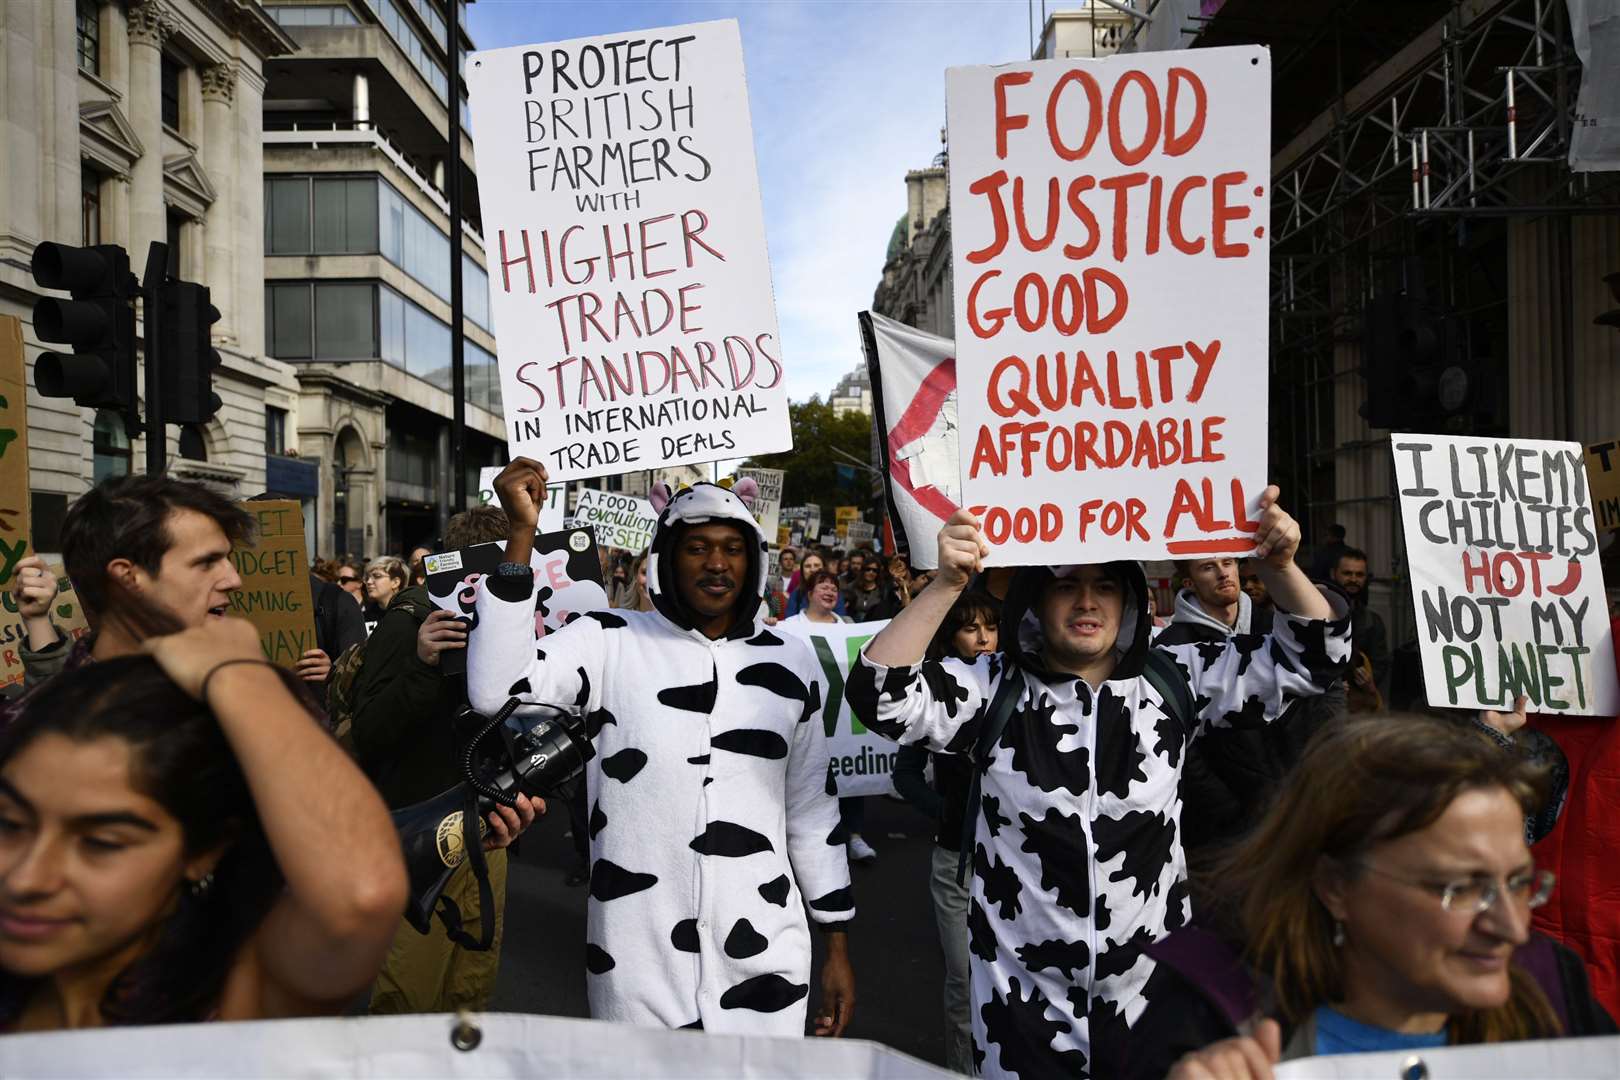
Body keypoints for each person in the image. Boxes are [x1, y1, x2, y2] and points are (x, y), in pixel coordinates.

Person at [847, 490, 1350, 1078]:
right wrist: (946, 585)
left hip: (1152, 1000)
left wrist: (1279, 565)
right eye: (1065, 584)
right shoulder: (990, 688)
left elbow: (1315, 659)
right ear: (1037, 598)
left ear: (1129, 599)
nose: (1086, 602)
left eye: (1105, 585)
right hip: (1021, 1007)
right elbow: (879, 696)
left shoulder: (1179, 673)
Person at [471, 460, 855, 1037]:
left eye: (732, 547)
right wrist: (520, 536)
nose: (717, 563)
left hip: (767, 962)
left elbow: (812, 810)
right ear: (666, 559)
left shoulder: (791, 660)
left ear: (754, 562)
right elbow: (495, 690)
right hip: (638, 961)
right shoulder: (608, 640)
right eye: (697, 547)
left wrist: (837, 945)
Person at [1146, 715, 1614, 1080]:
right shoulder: (1205, 1024)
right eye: (1461, 888)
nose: (1511, 928)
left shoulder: (1555, 994)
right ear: (1336, 886)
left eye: (1518, 883)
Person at [0, 617, 407, 1028]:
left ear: (203, 851)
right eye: (11, 825)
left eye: (102, 843)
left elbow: (360, 903)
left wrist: (237, 675)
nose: (26, 879)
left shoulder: (232, 996)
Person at [358, 507, 541, 1016]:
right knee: (409, 992)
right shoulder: (410, 619)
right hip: (420, 832)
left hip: (487, 830)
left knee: (469, 986)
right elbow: (370, 731)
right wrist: (421, 664)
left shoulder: (518, 622)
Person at [6, 476, 331, 723]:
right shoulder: (47, 730)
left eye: (228, 559)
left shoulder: (254, 701)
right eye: (206, 562)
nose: (235, 580)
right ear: (128, 577)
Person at [1156, 557, 1346, 862]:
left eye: (1228, 563)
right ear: (1189, 583)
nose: (1223, 573)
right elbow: (1179, 748)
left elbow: (1328, 688)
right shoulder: (1172, 649)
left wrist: (1322, 764)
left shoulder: (1277, 627)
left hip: (1297, 796)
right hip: (1227, 823)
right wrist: (1226, 808)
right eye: (1208, 567)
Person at [893, 588, 1001, 1076]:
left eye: (990, 627)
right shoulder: (935, 697)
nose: (982, 639)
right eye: (969, 628)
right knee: (964, 979)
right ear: (951, 636)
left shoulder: (1020, 689)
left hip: (1012, 869)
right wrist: (945, 811)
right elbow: (906, 774)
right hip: (955, 865)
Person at [1331, 548, 1388, 712]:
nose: (1353, 579)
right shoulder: (1318, 614)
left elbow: (1380, 663)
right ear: (1334, 574)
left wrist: (1369, 681)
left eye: (1359, 575)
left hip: (1359, 704)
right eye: (1347, 573)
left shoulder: (1373, 621)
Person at [787, 552, 845, 618]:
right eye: (808, 566)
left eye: (817, 565)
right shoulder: (796, 594)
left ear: (824, 568)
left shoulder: (834, 593)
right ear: (802, 571)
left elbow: (840, 621)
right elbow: (789, 623)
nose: (812, 569)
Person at [781, 571, 847, 628]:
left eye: (834, 590)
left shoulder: (848, 625)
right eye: (824, 588)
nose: (830, 593)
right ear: (810, 594)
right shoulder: (790, 624)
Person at [362, 557, 407, 636]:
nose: (369, 582)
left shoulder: (408, 615)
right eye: (367, 578)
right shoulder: (364, 617)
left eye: (377, 576)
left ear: (395, 582)